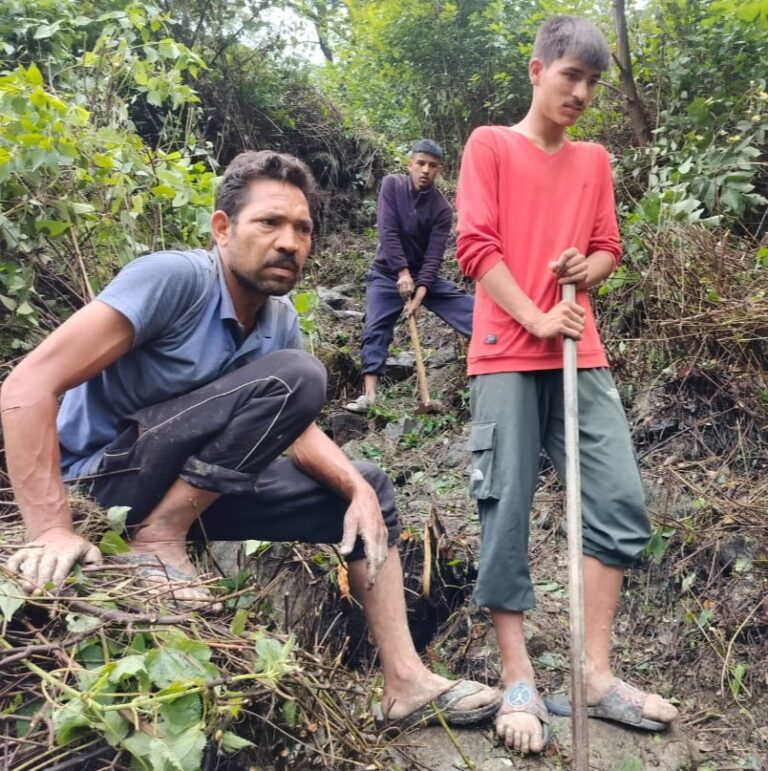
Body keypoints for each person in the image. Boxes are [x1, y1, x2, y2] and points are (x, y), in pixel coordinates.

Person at [1, 150, 500, 727]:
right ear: (222, 228)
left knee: (366, 485)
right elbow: (29, 383)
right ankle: (158, 538)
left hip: (183, 486)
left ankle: (405, 683)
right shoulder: (173, 280)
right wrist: (51, 530)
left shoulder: (278, 318)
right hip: (102, 481)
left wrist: (356, 492)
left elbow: (292, 425)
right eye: (270, 223)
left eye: (302, 229)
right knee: (302, 374)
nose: (289, 241)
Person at [455, 16, 679, 754]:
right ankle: (518, 674)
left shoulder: (595, 162)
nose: (580, 92)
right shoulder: (490, 144)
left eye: (591, 81)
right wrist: (533, 316)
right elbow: (476, 246)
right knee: (507, 502)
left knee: (617, 499)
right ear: (536, 69)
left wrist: (588, 273)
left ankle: (592, 673)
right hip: (505, 350)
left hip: (581, 352)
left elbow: (608, 247)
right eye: (568, 75)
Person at [344, 139, 473, 413]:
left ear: (440, 170)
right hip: (387, 273)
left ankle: (497, 352)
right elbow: (388, 231)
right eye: (421, 163)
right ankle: (369, 396)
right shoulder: (392, 185)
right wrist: (401, 273)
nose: (426, 170)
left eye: (433, 166)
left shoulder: (441, 208)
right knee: (375, 327)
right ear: (410, 164)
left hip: (423, 275)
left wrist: (422, 289)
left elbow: (435, 254)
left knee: (468, 308)